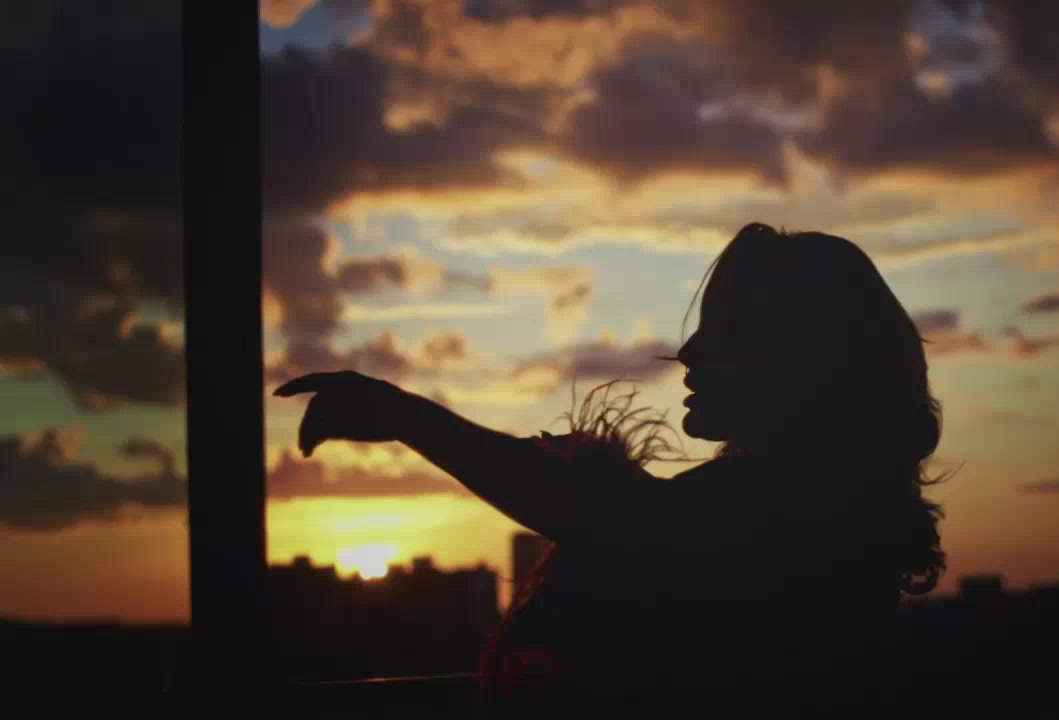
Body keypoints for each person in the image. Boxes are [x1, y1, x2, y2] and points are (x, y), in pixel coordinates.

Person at [275, 222, 947, 716]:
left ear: (796, 359)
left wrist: (403, 415)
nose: (689, 350)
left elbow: (611, 515)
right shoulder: (823, 510)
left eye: (726, 328)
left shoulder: (792, 511)